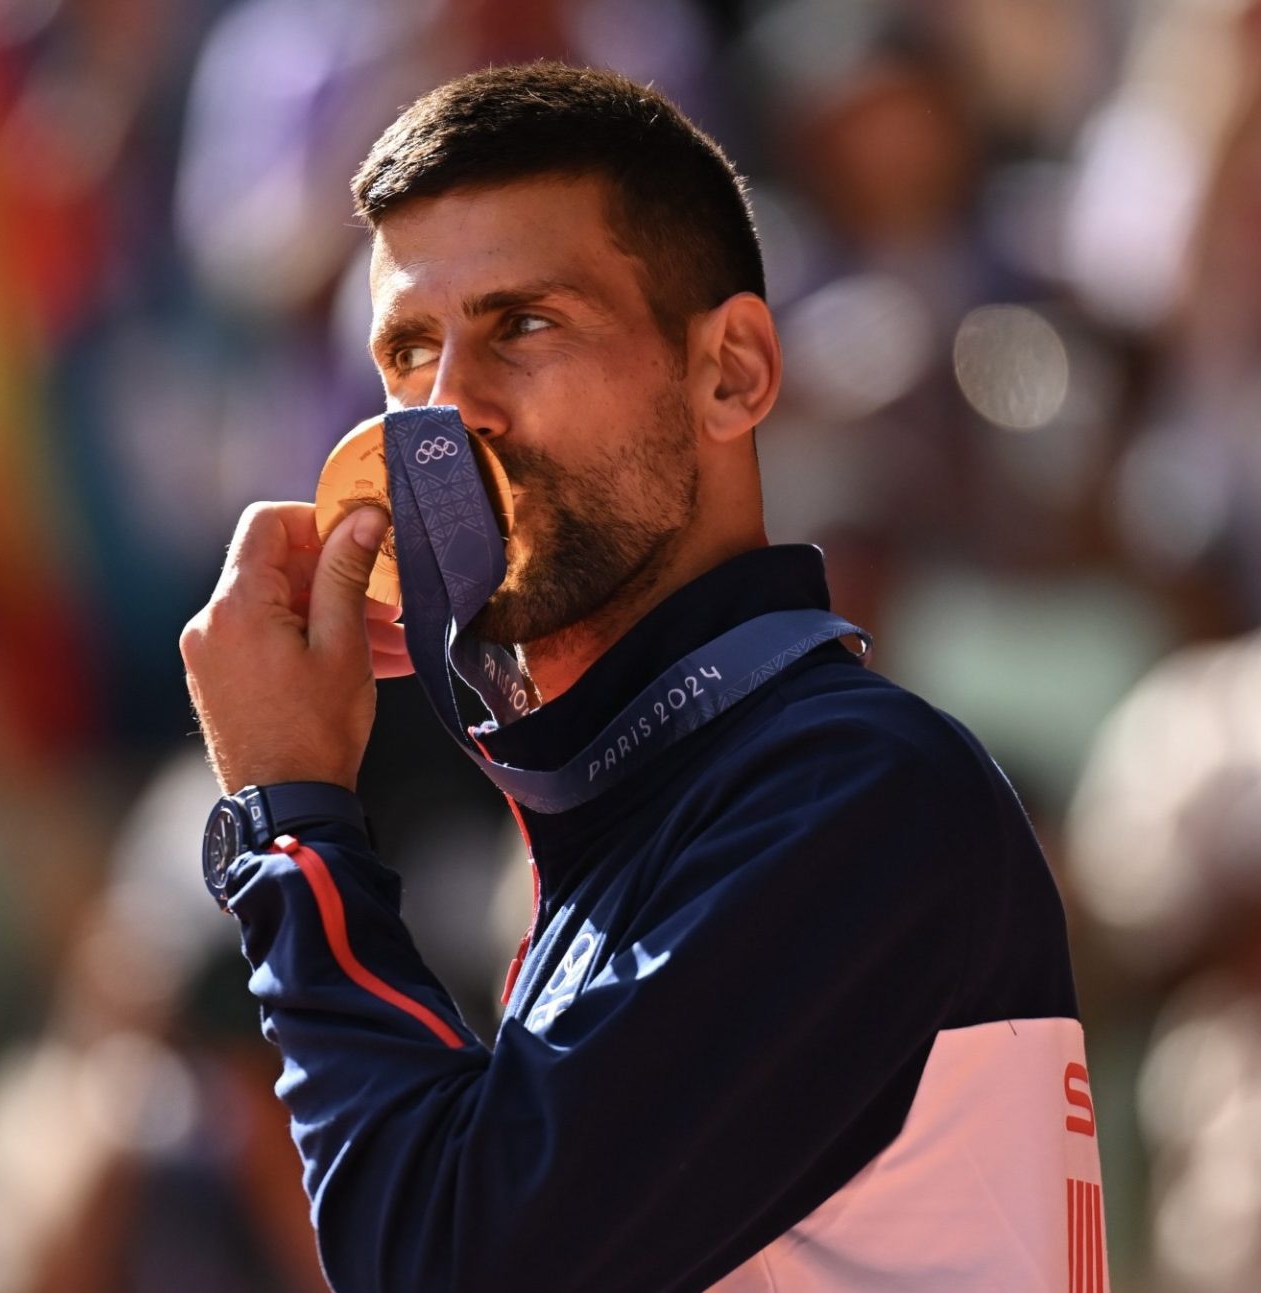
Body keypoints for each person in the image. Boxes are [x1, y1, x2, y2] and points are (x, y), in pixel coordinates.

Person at [180, 62, 1108, 1293]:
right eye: (411, 353)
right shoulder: (647, 808)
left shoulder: (857, 792)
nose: (450, 415)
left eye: (525, 326)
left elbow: (454, 1269)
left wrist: (289, 822)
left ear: (733, 373)